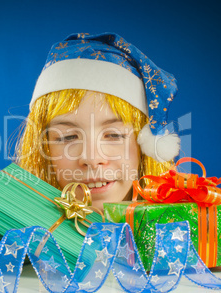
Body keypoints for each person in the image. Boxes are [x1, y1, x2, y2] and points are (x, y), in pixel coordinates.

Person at [15, 32, 180, 211]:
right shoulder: (11, 237)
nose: (92, 159)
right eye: (68, 137)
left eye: (114, 134)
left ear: (145, 148)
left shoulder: (195, 234)